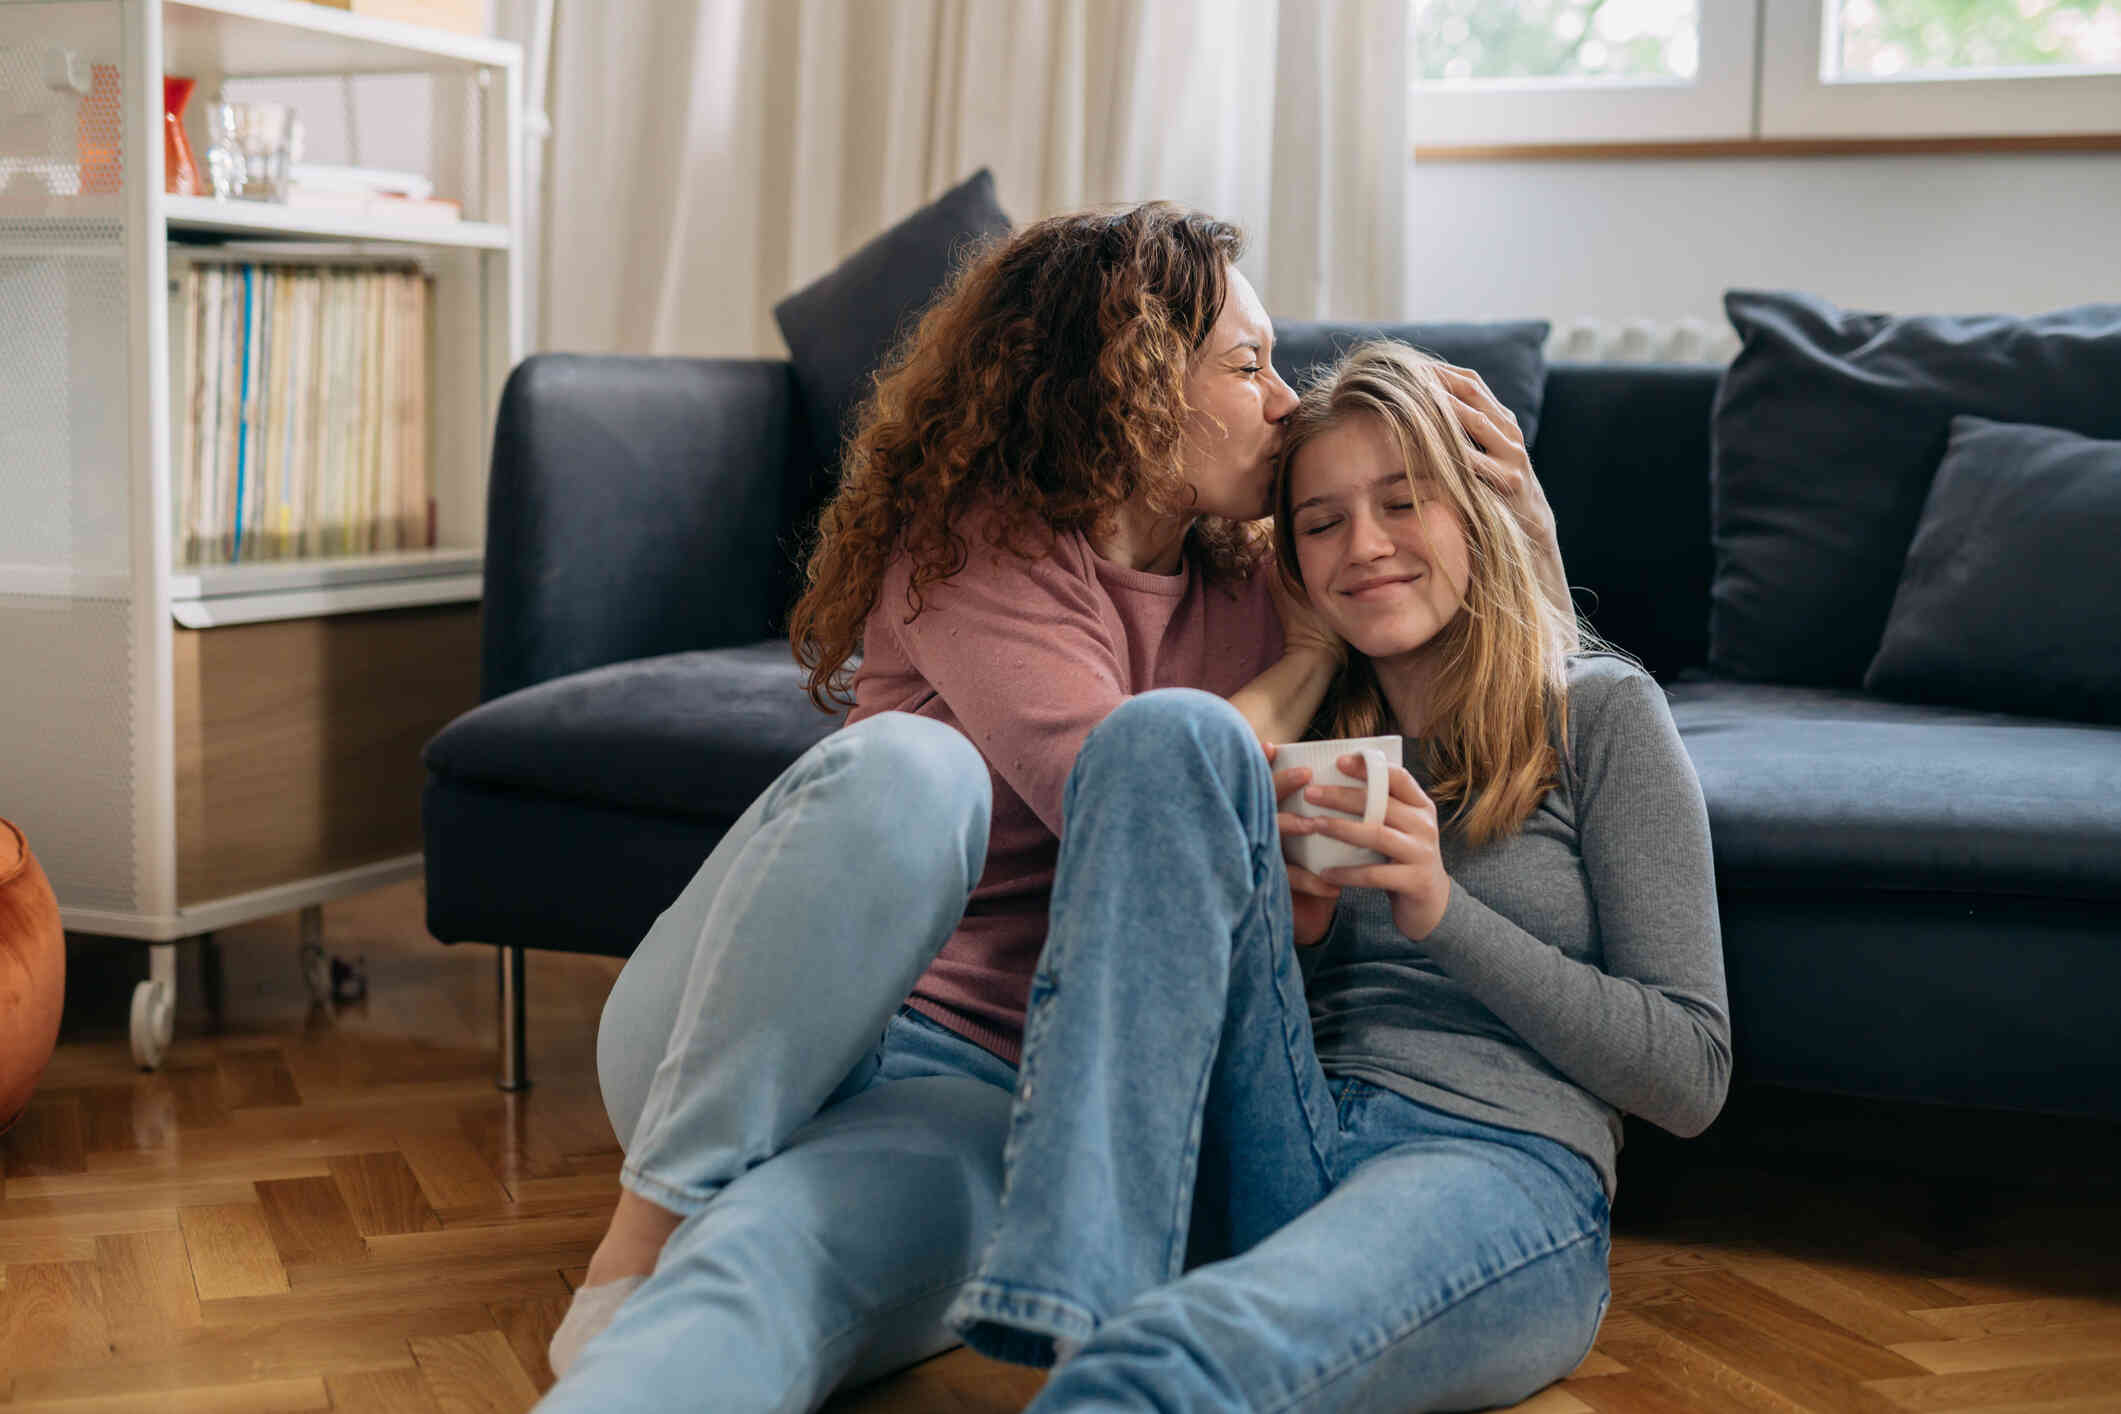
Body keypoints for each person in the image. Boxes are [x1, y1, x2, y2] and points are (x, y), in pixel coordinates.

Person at [536, 206, 1574, 1412]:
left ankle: (669, 1303)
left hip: (976, 1090)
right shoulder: (973, 551)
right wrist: (1295, 673)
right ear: (1127, 386)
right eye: (1247, 365)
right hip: (750, 1026)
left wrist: (1530, 530)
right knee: (913, 775)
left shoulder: (1263, 578)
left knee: (771, 1260)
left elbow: (1477, 672)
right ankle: (648, 1217)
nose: (1284, 400)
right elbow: (1132, 798)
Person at [940, 340, 1732, 1411]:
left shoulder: (1600, 713)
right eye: (1321, 522)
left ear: (1472, 510)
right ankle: (1075, 1281)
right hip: (1288, 1132)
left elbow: (1690, 1075)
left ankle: (1112, 1345)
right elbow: (1196, 955)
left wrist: (1443, 914)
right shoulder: (1312, 735)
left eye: (1404, 503)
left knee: (1175, 1361)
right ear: (1297, 563)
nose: (1365, 546)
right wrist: (1294, 931)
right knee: (1162, 733)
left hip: (1491, 1165)